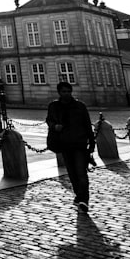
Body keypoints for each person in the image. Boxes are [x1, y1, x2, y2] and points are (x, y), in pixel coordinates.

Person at [46, 81, 96, 212]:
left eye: (68, 91)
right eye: (64, 92)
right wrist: (54, 126)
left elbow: (87, 124)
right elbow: (49, 120)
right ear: (59, 93)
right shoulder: (54, 106)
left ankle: (84, 200)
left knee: (81, 173)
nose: (67, 94)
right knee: (72, 174)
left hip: (79, 144)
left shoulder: (80, 106)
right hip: (64, 144)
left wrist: (92, 144)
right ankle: (79, 195)